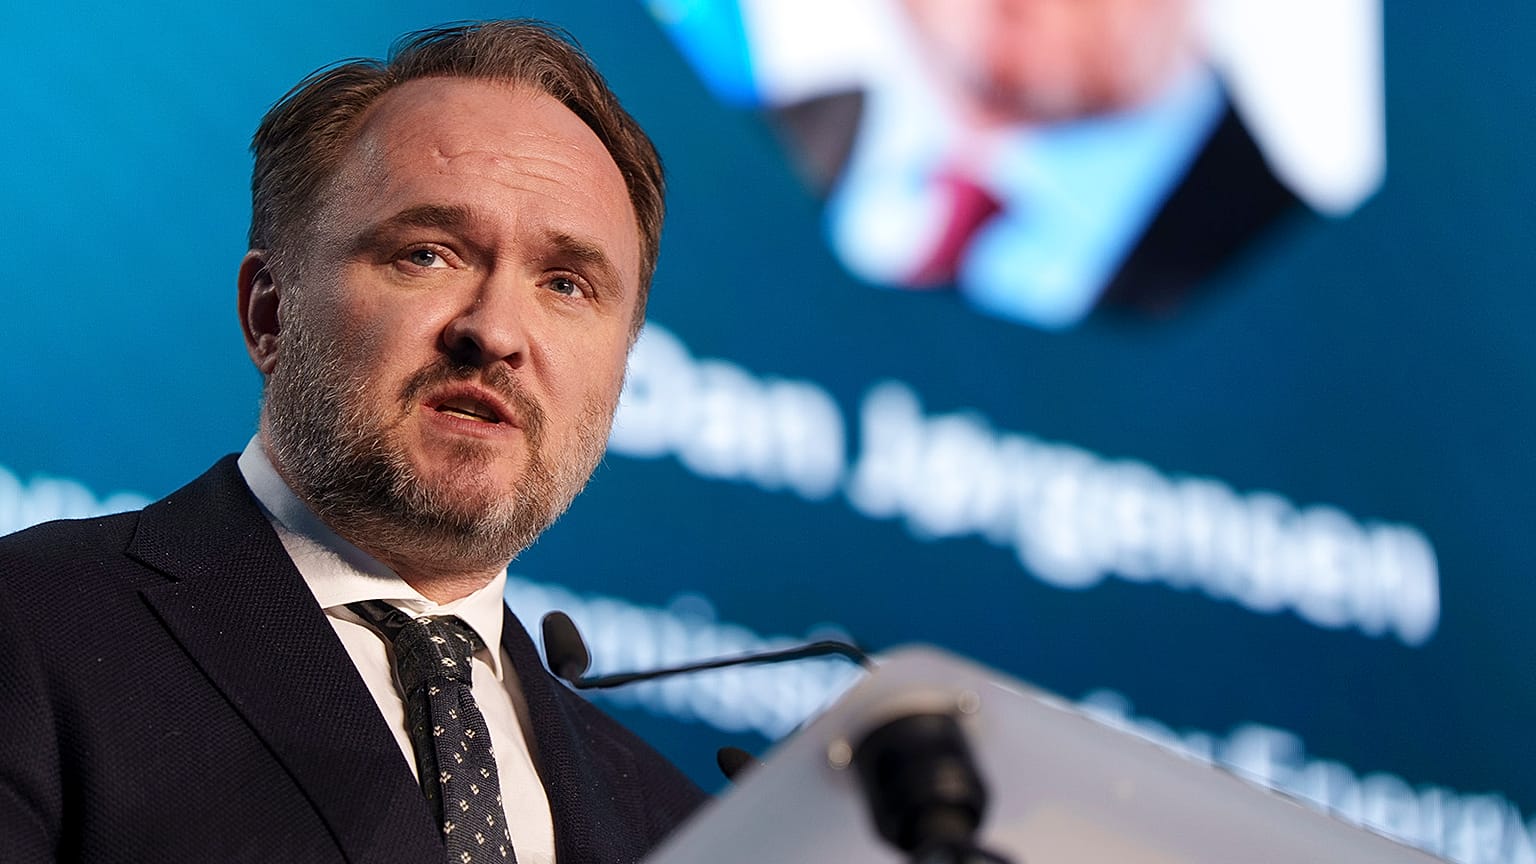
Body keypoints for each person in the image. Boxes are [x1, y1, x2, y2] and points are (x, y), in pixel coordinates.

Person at [0, 20, 706, 864]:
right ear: (270, 311)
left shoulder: (678, 824)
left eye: (566, 283)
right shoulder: (32, 626)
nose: (495, 332)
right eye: (428, 255)